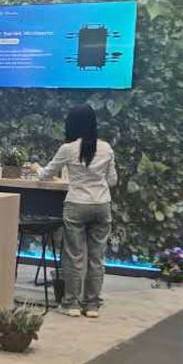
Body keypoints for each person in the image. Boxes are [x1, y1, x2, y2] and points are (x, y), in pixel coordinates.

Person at [38, 104, 117, 318]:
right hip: (102, 205)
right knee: (97, 257)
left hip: (76, 204)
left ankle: (71, 303)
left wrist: (37, 169)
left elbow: (46, 174)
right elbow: (112, 180)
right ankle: (92, 305)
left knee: (74, 256)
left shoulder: (68, 148)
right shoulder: (106, 148)